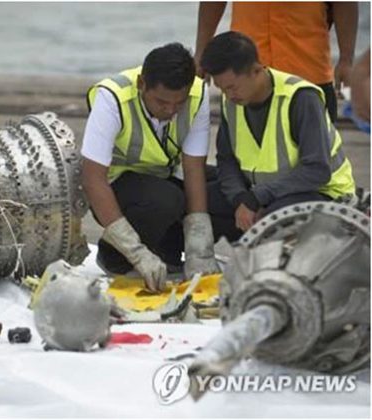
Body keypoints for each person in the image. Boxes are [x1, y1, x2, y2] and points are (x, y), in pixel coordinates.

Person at [81, 43, 219, 292]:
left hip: (164, 176)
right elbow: (92, 179)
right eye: (162, 102)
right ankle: (115, 256)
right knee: (166, 200)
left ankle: (168, 252)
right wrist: (136, 252)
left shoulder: (198, 93)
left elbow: (193, 168)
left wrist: (199, 245)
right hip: (116, 188)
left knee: (224, 193)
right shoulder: (112, 97)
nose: (171, 110)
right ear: (142, 84)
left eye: (179, 103)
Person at [200, 31, 356, 238]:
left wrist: (256, 198)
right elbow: (226, 161)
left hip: (322, 194)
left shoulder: (301, 98)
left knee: (274, 219)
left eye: (232, 87)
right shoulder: (232, 102)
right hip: (263, 193)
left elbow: (317, 171)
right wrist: (240, 199)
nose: (228, 96)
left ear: (256, 70)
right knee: (194, 201)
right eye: (222, 89)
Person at [194, 1, 358, 122]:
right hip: (244, 74)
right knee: (239, 152)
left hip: (308, 72)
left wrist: (346, 59)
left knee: (316, 152)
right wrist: (201, 50)